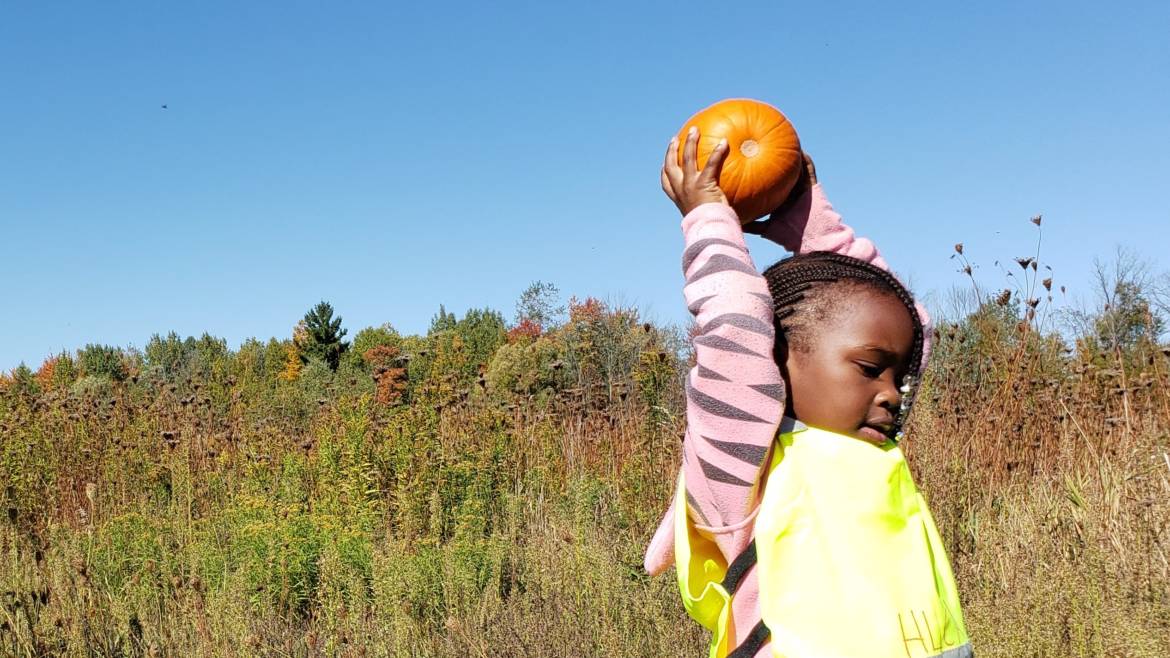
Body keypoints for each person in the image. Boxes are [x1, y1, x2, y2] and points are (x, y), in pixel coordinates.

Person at [645, 127, 970, 658]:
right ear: (776, 360)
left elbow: (906, 324)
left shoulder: (869, 447)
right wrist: (708, 215)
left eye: (898, 377)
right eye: (870, 369)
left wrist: (811, 221)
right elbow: (735, 325)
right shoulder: (741, 475)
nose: (893, 394)